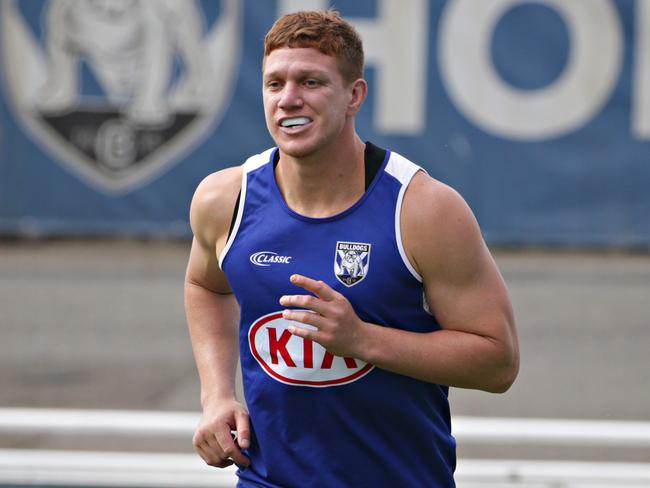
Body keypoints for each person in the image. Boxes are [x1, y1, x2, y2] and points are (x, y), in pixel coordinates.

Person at [184, 10, 519, 487]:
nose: (289, 99)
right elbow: (205, 284)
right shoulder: (225, 201)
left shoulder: (422, 210)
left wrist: (362, 340)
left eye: (310, 82)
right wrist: (216, 395)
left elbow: (498, 361)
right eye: (274, 83)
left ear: (354, 95)